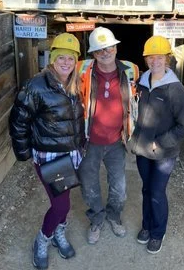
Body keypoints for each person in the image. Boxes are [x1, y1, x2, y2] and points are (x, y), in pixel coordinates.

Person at [9, 33, 85, 270]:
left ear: (75, 62)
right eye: (60, 57)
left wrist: (81, 144)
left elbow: (75, 119)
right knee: (61, 206)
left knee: (65, 201)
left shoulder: (74, 84)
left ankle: (58, 233)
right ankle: (43, 239)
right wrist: (24, 153)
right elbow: (18, 121)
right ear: (52, 59)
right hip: (50, 157)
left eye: (70, 59)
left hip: (71, 154)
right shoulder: (36, 85)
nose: (65, 63)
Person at [131, 35, 184, 255]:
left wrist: (161, 143)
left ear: (167, 59)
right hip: (142, 150)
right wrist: (132, 136)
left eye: (160, 57)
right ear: (146, 59)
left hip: (163, 153)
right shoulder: (141, 82)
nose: (155, 61)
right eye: (151, 57)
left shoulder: (176, 90)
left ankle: (158, 232)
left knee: (157, 192)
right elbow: (136, 112)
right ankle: (147, 226)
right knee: (146, 189)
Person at [77, 26, 139, 244]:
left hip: (116, 142)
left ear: (115, 48)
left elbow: (138, 101)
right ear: (93, 53)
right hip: (89, 142)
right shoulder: (82, 70)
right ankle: (97, 219)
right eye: (100, 50)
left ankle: (114, 216)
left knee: (119, 188)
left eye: (109, 47)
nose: (105, 52)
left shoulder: (131, 70)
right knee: (89, 185)